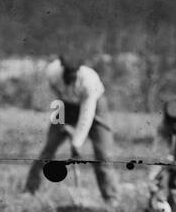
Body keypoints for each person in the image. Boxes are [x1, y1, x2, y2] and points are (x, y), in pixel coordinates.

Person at [24, 55, 120, 204]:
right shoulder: (52, 73)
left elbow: (86, 116)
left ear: (79, 70)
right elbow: (53, 97)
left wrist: (76, 142)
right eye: (67, 73)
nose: (70, 77)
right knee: (49, 147)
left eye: (73, 74)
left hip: (95, 107)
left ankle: (111, 198)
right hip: (64, 105)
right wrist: (63, 125)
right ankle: (30, 190)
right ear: (62, 69)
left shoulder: (89, 82)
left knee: (103, 153)